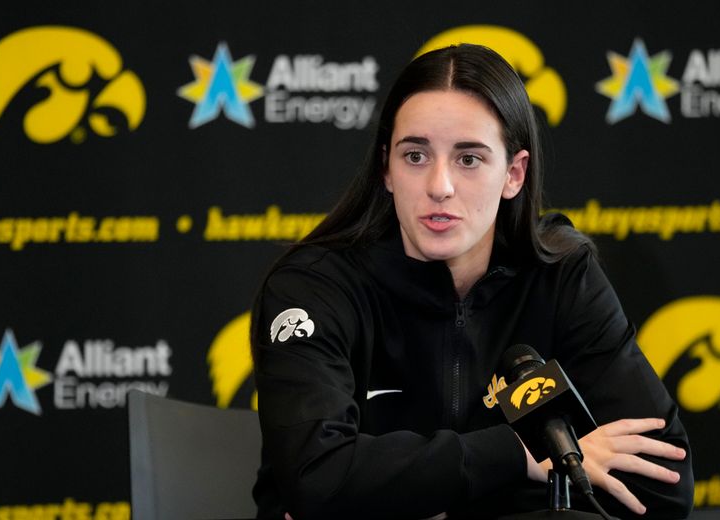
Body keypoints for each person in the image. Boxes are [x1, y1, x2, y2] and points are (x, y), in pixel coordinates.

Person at [250, 44, 693, 519]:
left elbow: (663, 489)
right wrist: (517, 457)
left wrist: (404, 491)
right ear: (387, 169)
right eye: (415, 155)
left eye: (468, 159)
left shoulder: (561, 276)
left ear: (514, 174)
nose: (439, 185)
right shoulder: (314, 288)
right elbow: (318, 480)